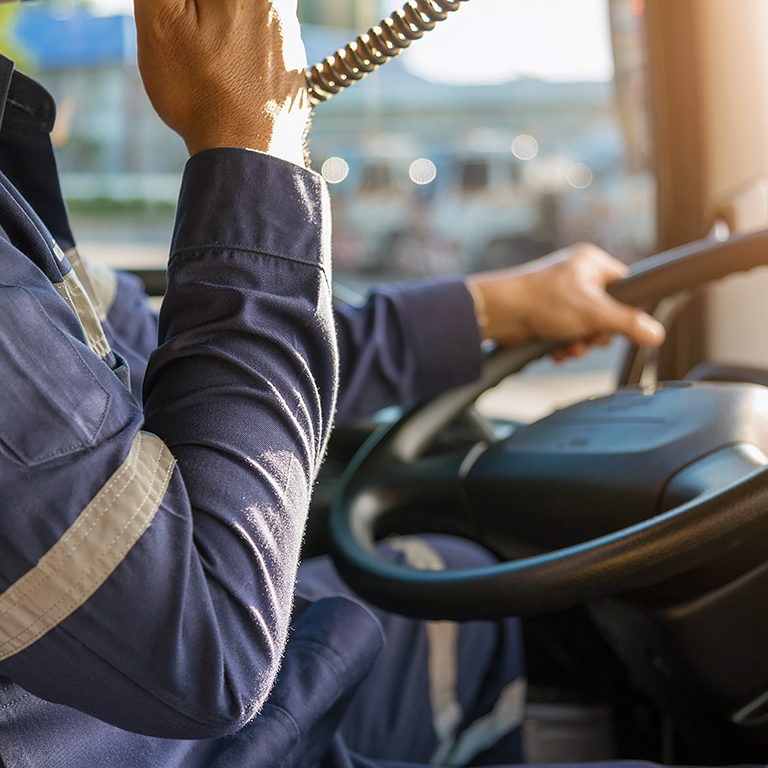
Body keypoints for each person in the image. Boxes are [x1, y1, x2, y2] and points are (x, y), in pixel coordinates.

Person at [0, 0, 736, 766]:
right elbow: (209, 650)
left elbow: (179, 359)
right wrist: (250, 143)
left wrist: (491, 308)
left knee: (462, 579)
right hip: (175, 733)